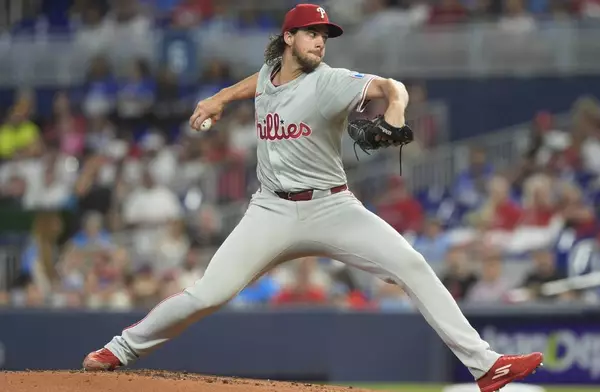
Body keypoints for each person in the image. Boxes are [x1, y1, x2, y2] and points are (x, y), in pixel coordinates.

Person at [83, 4, 542, 392]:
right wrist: (220, 98)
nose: (321, 41)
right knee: (209, 293)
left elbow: (389, 87)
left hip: (332, 207)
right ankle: (118, 349)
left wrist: (396, 112)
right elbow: (260, 81)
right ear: (289, 38)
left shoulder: (330, 80)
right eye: (312, 33)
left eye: (325, 34)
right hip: (271, 209)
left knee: (412, 265)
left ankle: (486, 366)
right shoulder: (270, 74)